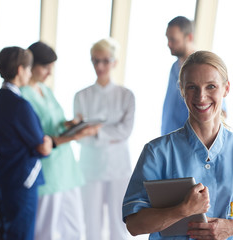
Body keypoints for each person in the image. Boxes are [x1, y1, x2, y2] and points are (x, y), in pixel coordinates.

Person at [122, 51, 233, 240]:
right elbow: (134, 224)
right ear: (182, 90)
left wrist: (232, 227)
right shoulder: (157, 153)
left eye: (211, 86)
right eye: (192, 87)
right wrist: (181, 210)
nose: (201, 96)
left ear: (226, 88)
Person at [21, 41, 99, 240]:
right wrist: (74, 136)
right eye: (45, 67)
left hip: (66, 168)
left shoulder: (44, 90)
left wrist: (71, 124)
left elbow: (54, 121)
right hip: (48, 169)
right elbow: (38, 136)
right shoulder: (23, 96)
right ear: (32, 65)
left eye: (51, 68)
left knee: (73, 227)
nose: (49, 73)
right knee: (46, 229)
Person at [73, 38, 135, 240]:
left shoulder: (126, 95)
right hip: (90, 167)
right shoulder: (81, 96)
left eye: (105, 61)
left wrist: (96, 131)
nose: (100, 66)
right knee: (91, 221)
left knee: (119, 221)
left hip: (118, 167)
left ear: (114, 62)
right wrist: (105, 132)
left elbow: (125, 132)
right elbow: (79, 137)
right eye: (95, 61)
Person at [0, 46, 53, 240]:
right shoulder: (20, 104)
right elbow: (41, 146)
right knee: (21, 234)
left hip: (3, 177)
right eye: (27, 68)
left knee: (4, 231)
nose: (29, 73)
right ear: (19, 70)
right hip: (21, 181)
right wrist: (48, 142)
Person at [162, 16, 227, 136]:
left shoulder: (206, 69)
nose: (169, 44)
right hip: (170, 142)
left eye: (174, 40)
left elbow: (221, 112)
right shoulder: (174, 68)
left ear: (189, 37)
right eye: (167, 39)